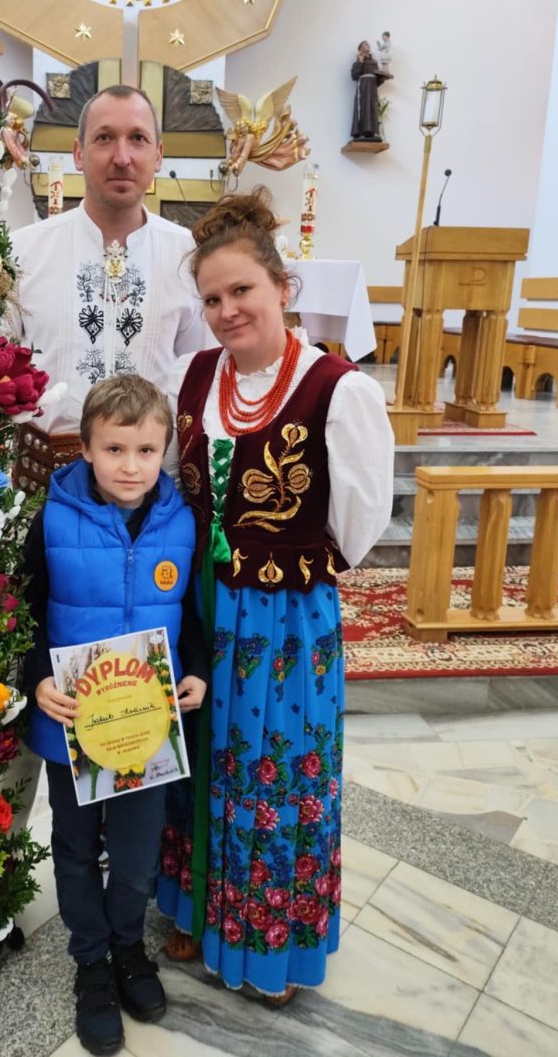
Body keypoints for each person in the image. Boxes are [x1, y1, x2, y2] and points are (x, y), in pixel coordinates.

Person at [156, 188, 394, 1004]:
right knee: (196, 766)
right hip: (197, 612)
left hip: (284, 624)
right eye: (212, 298)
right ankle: (195, 907)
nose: (227, 311)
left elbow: (358, 523)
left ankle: (268, 940)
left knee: (272, 778)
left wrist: (283, 562)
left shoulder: (337, 388)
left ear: (283, 287)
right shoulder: (192, 378)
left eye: (242, 290)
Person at [21, 373, 209, 1056]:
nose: (131, 466)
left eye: (147, 451)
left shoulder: (182, 523)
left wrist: (196, 671)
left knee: (134, 853)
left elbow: (192, 616)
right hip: (72, 724)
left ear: (165, 452)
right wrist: (38, 679)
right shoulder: (51, 518)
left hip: (147, 730)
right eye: (115, 449)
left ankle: (128, 947)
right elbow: (25, 611)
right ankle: (91, 962)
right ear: (86, 449)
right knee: (75, 848)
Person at [6, 85, 210, 437]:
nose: (122, 157)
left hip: (155, 466)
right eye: (104, 138)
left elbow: (201, 375)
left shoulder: (190, 257)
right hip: (45, 467)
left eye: (138, 139)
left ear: (158, 155)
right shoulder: (21, 251)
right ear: (78, 153)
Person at [350, 40, 392, 141]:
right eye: (365, 44)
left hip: (372, 89)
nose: (368, 45)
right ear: (360, 48)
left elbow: (377, 80)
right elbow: (354, 75)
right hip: (363, 88)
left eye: (368, 44)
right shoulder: (357, 62)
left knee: (372, 108)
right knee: (363, 108)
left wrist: (382, 78)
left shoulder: (374, 62)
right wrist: (360, 61)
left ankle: (371, 131)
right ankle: (359, 131)